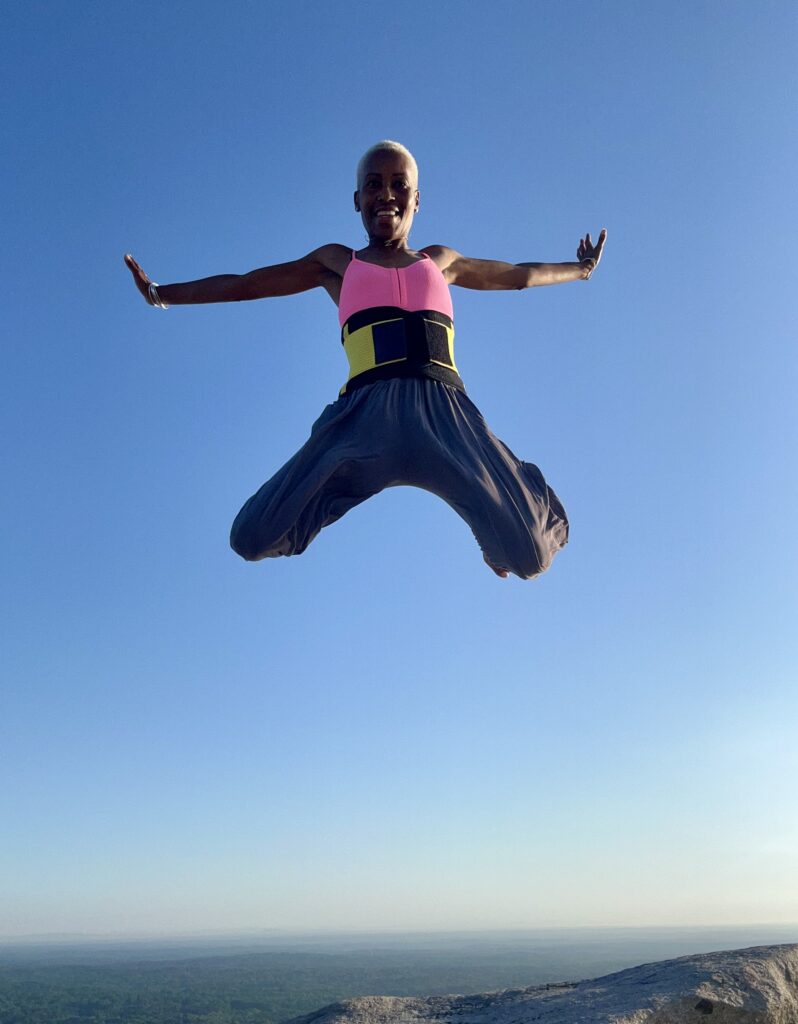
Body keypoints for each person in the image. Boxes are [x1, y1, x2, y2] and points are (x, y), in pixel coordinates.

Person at [124, 140, 606, 580]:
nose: (386, 195)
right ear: (357, 200)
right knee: (249, 536)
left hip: (447, 418)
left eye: (400, 185)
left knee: (529, 557)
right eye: (373, 185)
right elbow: (247, 284)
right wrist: (163, 294)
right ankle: (331, 497)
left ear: (418, 199)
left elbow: (519, 276)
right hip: (364, 421)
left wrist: (580, 270)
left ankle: (505, 511)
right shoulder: (338, 263)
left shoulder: (440, 261)